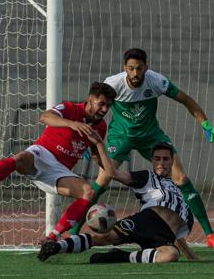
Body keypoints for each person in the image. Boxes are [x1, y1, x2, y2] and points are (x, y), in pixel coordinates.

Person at [69, 48, 214, 248]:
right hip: (120, 137)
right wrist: (89, 138)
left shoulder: (156, 81)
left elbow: (186, 100)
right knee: (102, 180)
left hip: (150, 136)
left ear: (146, 67)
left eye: (139, 68)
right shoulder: (113, 83)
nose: (135, 73)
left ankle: (209, 234)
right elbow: (95, 108)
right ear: (124, 68)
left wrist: (205, 123)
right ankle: (73, 232)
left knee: (181, 178)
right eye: (131, 69)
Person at [38, 135, 196, 264]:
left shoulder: (180, 188)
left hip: (165, 235)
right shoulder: (147, 177)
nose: (161, 163)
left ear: (172, 161)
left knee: (170, 256)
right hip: (146, 221)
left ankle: (120, 256)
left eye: (166, 159)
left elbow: (177, 230)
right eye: (157, 159)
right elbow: (113, 173)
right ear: (152, 161)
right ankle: (56, 247)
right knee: (104, 237)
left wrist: (190, 254)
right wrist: (100, 145)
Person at [0, 81, 116, 242]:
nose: (105, 110)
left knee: (88, 192)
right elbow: (45, 117)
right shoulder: (69, 108)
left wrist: (101, 151)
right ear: (90, 99)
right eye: (101, 104)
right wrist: (72, 124)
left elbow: (95, 155)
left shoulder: (100, 126)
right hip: (42, 154)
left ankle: (52, 237)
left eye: (108, 106)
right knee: (20, 158)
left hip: (60, 172)